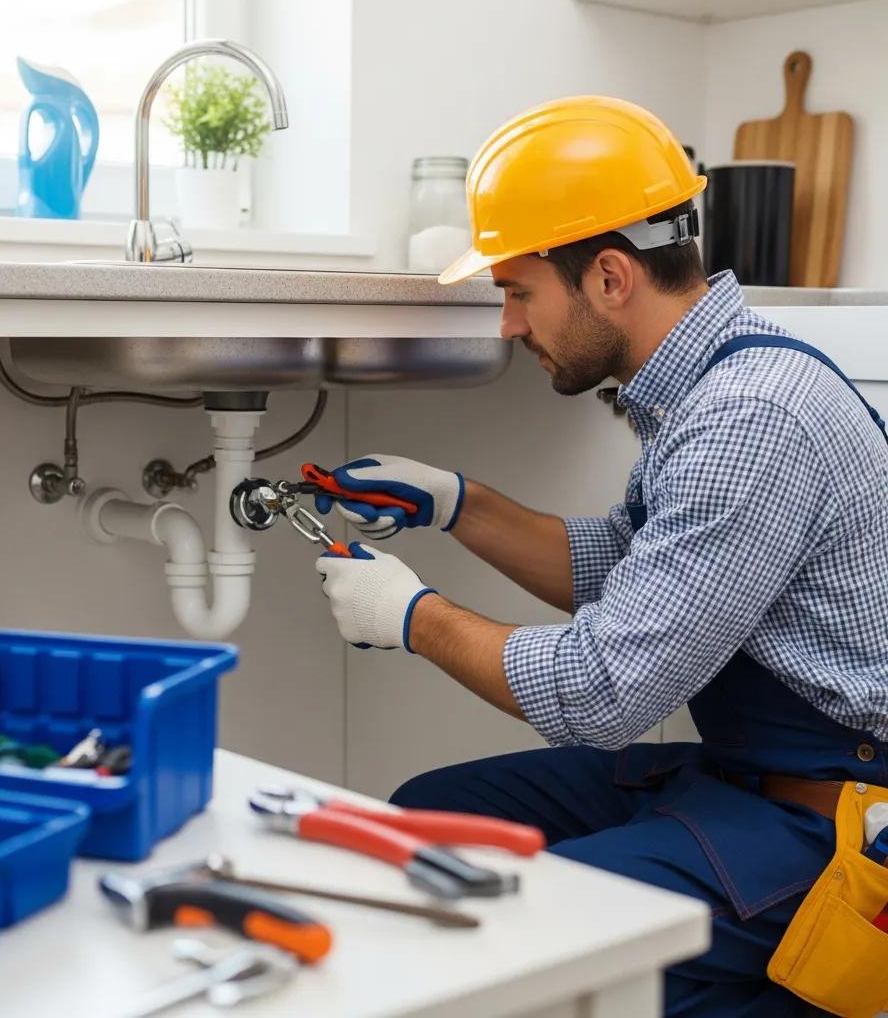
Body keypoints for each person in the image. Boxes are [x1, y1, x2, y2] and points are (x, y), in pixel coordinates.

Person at [314, 96, 888, 1016]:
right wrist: (457, 502)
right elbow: (621, 566)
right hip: (742, 778)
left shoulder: (749, 422)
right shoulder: (708, 387)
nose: (507, 325)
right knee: (425, 817)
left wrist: (412, 618)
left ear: (611, 278)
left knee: (525, 934)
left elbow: (602, 692)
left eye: (518, 291)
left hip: (826, 828)